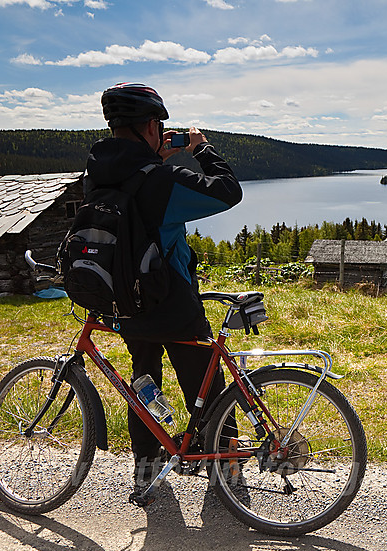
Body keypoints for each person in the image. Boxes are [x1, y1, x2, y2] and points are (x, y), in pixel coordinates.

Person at [85, 82, 242, 500]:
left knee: (143, 382)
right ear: (152, 126)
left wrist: (153, 160)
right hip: (172, 303)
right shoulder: (164, 181)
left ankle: (147, 469)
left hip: (126, 305)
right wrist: (201, 148)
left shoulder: (95, 176)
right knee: (203, 382)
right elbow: (228, 192)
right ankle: (224, 464)